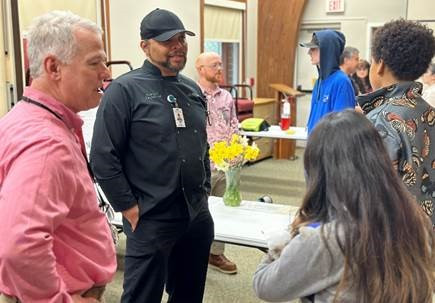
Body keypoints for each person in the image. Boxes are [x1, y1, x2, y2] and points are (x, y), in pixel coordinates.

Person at [90, 8, 214, 303]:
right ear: (145, 46)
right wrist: (128, 207)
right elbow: (103, 157)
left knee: (188, 293)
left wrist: (205, 189)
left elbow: (202, 144)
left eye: (182, 39)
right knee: (141, 296)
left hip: (195, 213)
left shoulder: (192, 88)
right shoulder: (124, 90)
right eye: (167, 40)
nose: (178, 46)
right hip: (150, 217)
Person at [253, 110, 434, 303]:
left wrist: (279, 246)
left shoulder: (326, 239)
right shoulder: (415, 218)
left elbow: (264, 286)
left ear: (318, 170)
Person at [0, 11, 116, 302]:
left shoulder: (26, 117)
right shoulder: (46, 143)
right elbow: (19, 245)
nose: (106, 73)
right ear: (54, 67)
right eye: (95, 62)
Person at [357, 19, 435, 229]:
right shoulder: (428, 111)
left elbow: (367, 192)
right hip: (426, 234)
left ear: (379, 64)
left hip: (394, 242)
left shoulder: (380, 119)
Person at [196, 52, 239, 274]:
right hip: (201, 165)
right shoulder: (190, 95)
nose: (219, 69)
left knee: (222, 211)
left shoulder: (227, 97)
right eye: (214, 65)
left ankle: (215, 254)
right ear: (200, 69)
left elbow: (233, 124)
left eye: (221, 64)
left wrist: (236, 150)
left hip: (225, 164)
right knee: (198, 212)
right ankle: (192, 254)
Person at [300, 30, 356, 134]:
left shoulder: (341, 82)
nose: (309, 52)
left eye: (313, 48)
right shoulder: (319, 82)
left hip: (329, 149)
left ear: (327, 50)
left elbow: (343, 128)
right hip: (315, 145)